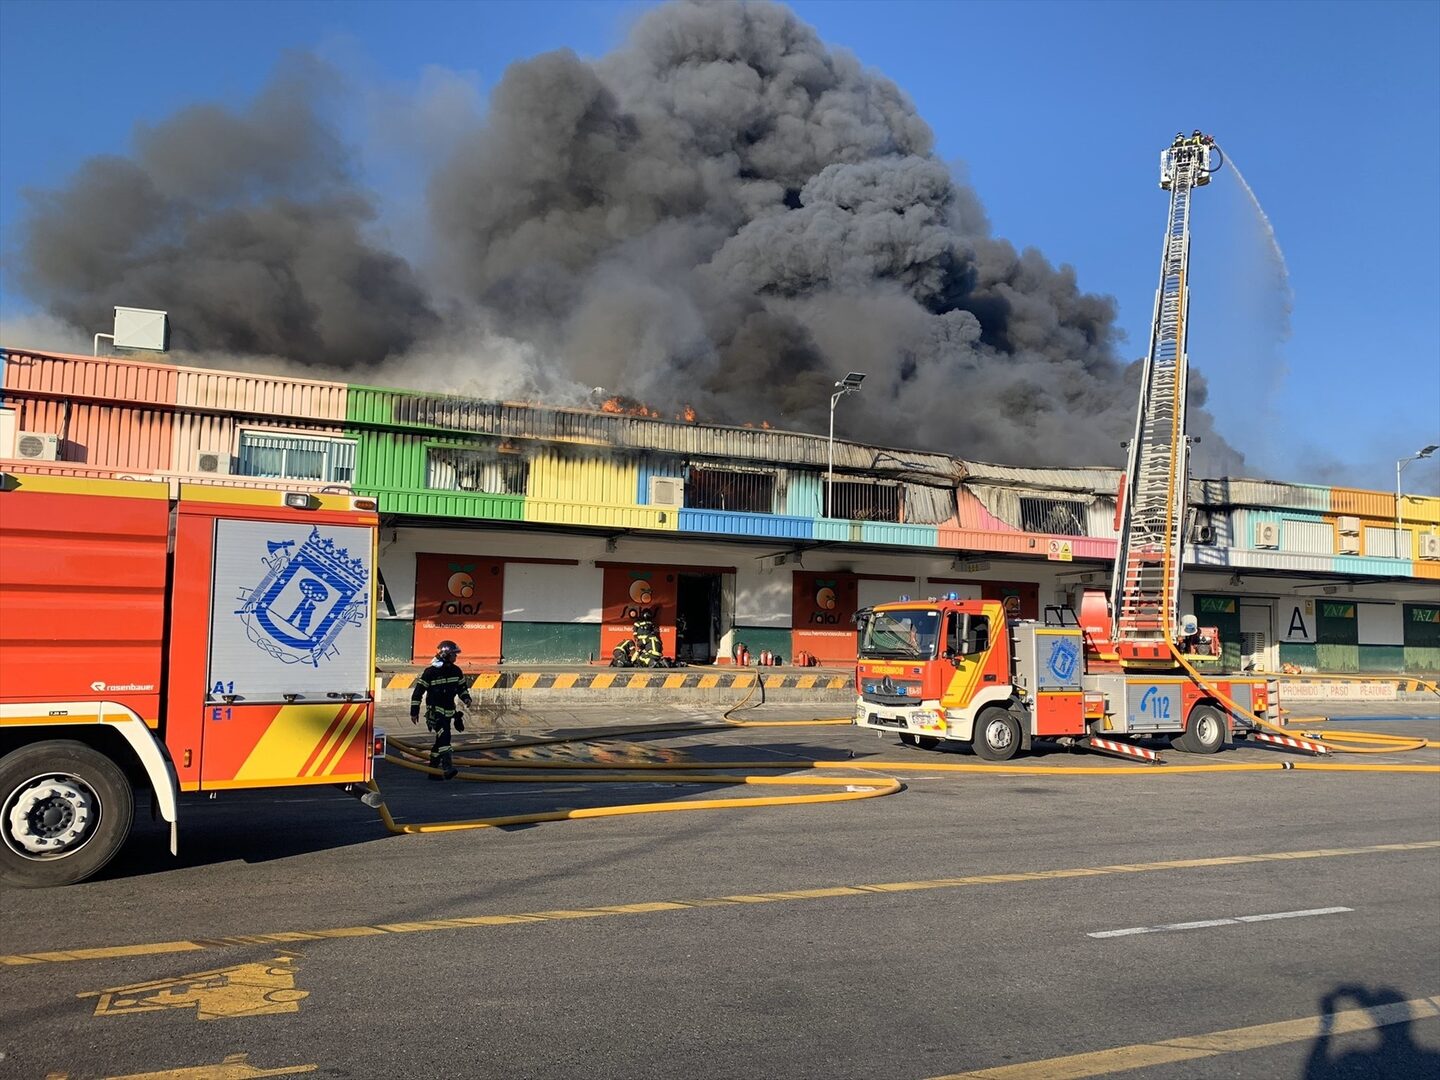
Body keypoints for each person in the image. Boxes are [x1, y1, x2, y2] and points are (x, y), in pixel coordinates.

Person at [409, 640, 472, 781]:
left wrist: (466, 698)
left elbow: (462, 688)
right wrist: (414, 712)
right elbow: (418, 692)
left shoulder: (456, 671)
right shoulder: (430, 672)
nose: (456, 657)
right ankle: (447, 767)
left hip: (449, 712)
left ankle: (433, 771)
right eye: (454, 654)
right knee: (445, 737)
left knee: (440, 741)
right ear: (445, 655)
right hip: (435, 713)